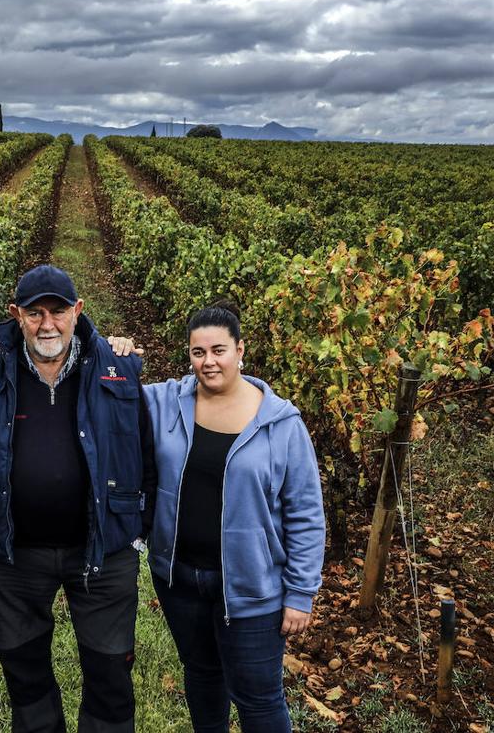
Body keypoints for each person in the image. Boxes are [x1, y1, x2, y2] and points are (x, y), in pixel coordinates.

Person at [0, 264, 156, 733]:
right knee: (25, 672)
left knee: (110, 670)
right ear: (15, 314)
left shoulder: (117, 366)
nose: (48, 324)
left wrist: (137, 530)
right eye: (34, 313)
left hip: (103, 551)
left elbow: (143, 451)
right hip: (12, 554)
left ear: (78, 310)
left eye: (58, 311)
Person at [142, 302, 325, 732]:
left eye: (219, 350)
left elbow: (305, 513)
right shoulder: (167, 402)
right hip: (180, 580)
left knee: (259, 699)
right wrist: (112, 346)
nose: (208, 362)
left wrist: (300, 593)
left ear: (241, 350)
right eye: (198, 352)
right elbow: (105, 384)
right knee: (203, 677)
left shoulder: (280, 424)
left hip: (250, 588)